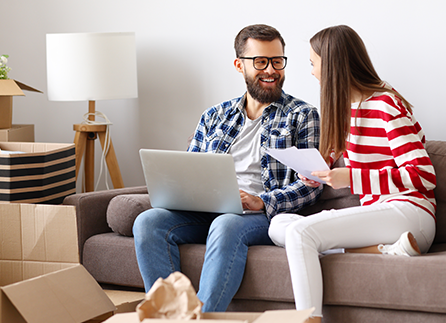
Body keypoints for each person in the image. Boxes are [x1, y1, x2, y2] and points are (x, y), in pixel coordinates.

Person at [133, 24, 322, 312]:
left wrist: (262, 201)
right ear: (239, 65)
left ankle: (205, 318)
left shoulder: (302, 115)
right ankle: (168, 316)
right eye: (260, 61)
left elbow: (311, 185)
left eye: (277, 61)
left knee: (226, 223)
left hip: (258, 216)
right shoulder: (215, 115)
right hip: (207, 211)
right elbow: (190, 168)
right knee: (148, 222)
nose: (271, 70)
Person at [268, 25, 436, 322]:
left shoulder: (386, 105)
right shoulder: (347, 108)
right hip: (379, 221)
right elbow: (338, 156)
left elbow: (422, 176)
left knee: (300, 233)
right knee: (278, 224)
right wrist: (319, 169)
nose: (311, 72)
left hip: (409, 213)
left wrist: (353, 177)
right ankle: (380, 251)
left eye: (313, 63)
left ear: (331, 65)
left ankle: (308, 319)